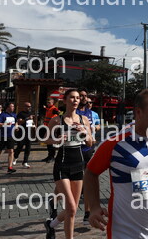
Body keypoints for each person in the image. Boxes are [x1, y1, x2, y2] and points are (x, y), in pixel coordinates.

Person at [84, 89, 148, 238]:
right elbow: (90, 172)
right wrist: (94, 207)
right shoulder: (115, 143)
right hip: (123, 232)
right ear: (138, 112)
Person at [44, 88, 93, 239]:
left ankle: (51, 225)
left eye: (78, 98)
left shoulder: (84, 120)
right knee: (71, 207)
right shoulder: (57, 120)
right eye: (72, 97)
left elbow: (90, 143)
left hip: (78, 165)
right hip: (62, 166)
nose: (75, 100)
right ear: (64, 100)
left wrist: (84, 133)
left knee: (72, 210)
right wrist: (56, 140)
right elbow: (45, 139)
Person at [75, 89, 97, 225]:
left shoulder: (90, 113)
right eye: (80, 96)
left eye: (85, 96)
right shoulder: (74, 112)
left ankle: (87, 213)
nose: (83, 98)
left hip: (88, 149)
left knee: (88, 179)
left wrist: (91, 136)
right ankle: (54, 202)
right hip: (74, 150)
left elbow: (93, 128)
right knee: (72, 183)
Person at [0, 103, 17, 173]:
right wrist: (5, 124)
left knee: (11, 151)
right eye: (12, 106)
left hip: (11, 135)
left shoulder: (14, 115)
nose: (13, 107)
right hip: (2, 136)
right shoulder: (2, 115)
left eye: (13, 106)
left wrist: (16, 126)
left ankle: (10, 167)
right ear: (8, 107)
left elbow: (16, 122)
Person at [14, 102, 35, 169]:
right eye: (28, 106)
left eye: (30, 106)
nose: (29, 108)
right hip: (21, 132)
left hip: (29, 132)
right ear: (24, 107)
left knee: (28, 148)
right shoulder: (20, 113)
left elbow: (32, 122)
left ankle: (25, 162)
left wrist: (33, 125)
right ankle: (15, 157)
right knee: (20, 146)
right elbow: (19, 121)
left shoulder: (30, 113)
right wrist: (27, 118)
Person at [42, 98, 59, 163]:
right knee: (48, 143)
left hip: (52, 128)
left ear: (52, 103)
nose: (48, 103)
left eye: (49, 102)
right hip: (47, 127)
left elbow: (59, 113)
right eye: (47, 102)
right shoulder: (49, 108)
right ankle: (49, 156)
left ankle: (52, 157)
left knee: (51, 143)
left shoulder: (54, 109)